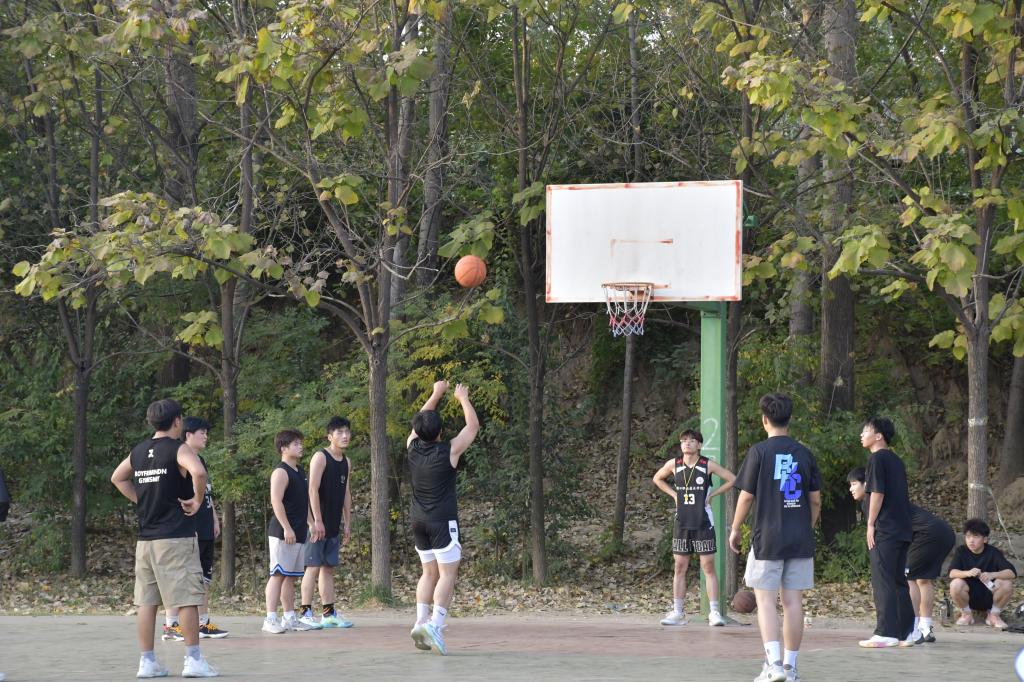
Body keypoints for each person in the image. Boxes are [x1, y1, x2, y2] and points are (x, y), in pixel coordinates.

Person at [110, 398, 218, 678]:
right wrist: (197, 500)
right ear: (177, 421)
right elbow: (199, 471)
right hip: (176, 537)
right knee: (187, 598)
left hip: (146, 539)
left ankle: (147, 662)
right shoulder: (178, 448)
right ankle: (193, 660)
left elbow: (117, 478)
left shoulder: (138, 451)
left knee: (147, 602)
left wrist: (142, 500)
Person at [729, 392, 821, 682]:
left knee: (766, 601)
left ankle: (774, 665)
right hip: (799, 538)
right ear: (789, 420)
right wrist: (806, 526)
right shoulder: (805, 454)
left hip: (767, 538)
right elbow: (815, 500)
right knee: (793, 602)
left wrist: (735, 528)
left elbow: (746, 497)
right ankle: (791, 668)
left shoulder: (759, 452)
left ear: (764, 420)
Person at [407, 380, 479, 656]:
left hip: (418, 521)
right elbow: (472, 427)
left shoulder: (412, 447)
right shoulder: (448, 451)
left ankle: (420, 621)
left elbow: (419, 425)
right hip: (442, 521)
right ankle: (435, 625)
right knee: (448, 574)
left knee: (428, 572)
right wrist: (462, 398)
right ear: (440, 432)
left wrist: (436, 393)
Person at [847, 467, 955, 643]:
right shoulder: (886, 497)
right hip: (943, 532)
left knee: (907, 578)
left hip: (927, 534)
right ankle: (924, 628)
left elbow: (884, 533)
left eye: (853, 484)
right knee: (922, 579)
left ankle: (912, 630)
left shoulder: (872, 500)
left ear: (866, 484)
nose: (851, 489)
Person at [653, 428, 736, 627]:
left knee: (708, 566)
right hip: (682, 521)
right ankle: (678, 612)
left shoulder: (707, 465)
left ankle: (714, 612)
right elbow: (657, 478)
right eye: (683, 441)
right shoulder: (674, 464)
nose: (687, 443)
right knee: (679, 567)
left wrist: (712, 494)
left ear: (699, 445)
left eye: (691, 440)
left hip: (703, 522)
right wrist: (674, 495)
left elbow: (733, 479)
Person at [164, 417, 228, 641]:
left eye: (207, 432)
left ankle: (203, 623)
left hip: (205, 526)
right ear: (188, 434)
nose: (206, 436)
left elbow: (205, 493)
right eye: (202, 432)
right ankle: (171, 625)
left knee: (203, 578)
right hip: (187, 528)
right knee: (182, 577)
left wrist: (214, 517)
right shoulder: (180, 460)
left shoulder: (199, 460)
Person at [858, 417, 916, 648]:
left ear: (879, 436)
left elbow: (877, 493)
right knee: (898, 580)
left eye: (866, 431)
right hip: (902, 528)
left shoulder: (876, 458)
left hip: (886, 528)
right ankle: (906, 633)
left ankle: (886, 632)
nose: (862, 435)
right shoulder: (896, 460)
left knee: (883, 580)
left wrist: (870, 523)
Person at [298, 416, 354, 629]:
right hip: (316, 524)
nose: (345, 436)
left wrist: (347, 522)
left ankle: (328, 613)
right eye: (340, 432)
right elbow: (311, 489)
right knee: (312, 567)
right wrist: (316, 521)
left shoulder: (346, 462)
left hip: (333, 523)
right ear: (330, 436)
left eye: (347, 431)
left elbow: (346, 492)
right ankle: (305, 612)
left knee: (328, 568)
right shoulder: (320, 457)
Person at [262, 429, 317, 634]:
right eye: (295, 444)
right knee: (277, 574)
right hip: (282, 532)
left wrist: (311, 523)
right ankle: (270, 619)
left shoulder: (299, 471)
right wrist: (286, 528)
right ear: (284, 448)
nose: (300, 447)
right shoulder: (280, 472)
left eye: (300, 443)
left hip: (299, 531)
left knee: (290, 576)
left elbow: (303, 503)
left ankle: (289, 617)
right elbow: (275, 501)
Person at [948, 518, 1017, 630]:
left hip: (990, 593)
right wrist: (968, 573)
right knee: (955, 584)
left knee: (1006, 584)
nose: (971, 540)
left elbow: (1011, 573)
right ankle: (966, 614)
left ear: (985, 539)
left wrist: (992, 575)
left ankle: (994, 615)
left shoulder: (993, 552)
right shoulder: (961, 551)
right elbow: (952, 573)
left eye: (975, 536)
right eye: (968, 536)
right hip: (968, 594)